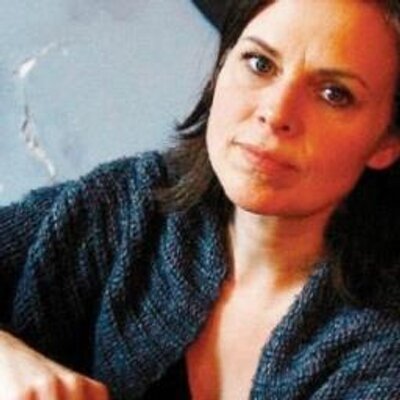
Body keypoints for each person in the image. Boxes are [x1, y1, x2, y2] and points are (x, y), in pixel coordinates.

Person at [1, 0, 400, 398]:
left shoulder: (386, 350)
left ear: (387, 140)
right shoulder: (130, 205)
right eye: (260, 63)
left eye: (334, 94)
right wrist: (9, 359)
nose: (276, 112)